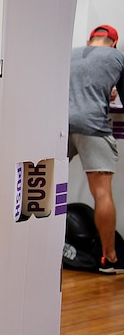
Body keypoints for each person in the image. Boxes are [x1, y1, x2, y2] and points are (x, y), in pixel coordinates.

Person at [68, 24, 124, 274]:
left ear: (90, 40)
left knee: (48, 186)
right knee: (102, 194)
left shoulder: (69, 53)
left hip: (59, 125)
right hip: (92, 126)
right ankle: (109, 258)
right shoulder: (116, 57)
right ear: (113, 43)